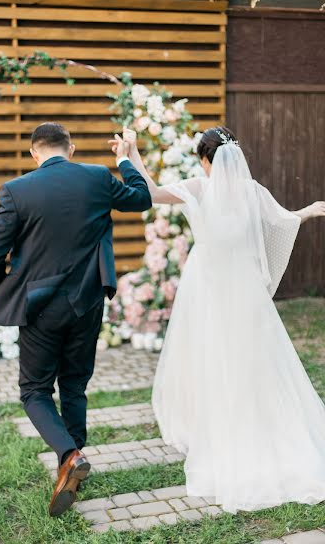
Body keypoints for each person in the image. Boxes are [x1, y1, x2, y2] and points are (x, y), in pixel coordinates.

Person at [112, 126, 325, 514]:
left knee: (209, 355)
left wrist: (129, 156)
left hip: (207, 287)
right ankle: (260, 426)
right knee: (255, 359)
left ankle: (217, 431)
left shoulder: (199, 187)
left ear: (206, 159)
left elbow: (154, 192)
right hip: (244, 289)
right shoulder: (251, 191)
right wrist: (309, 210)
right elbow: (283, 221)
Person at [0, 122, 152, 517]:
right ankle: (73, 463)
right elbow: (142, 198)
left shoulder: (16, 190)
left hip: (39, 306)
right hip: (88, 300)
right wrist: (125, 159)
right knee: (74, 384)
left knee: (35, 391)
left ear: (33, 154)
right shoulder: (96, 176)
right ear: (71, 148)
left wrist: (2, 289)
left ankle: (69, 456)